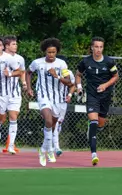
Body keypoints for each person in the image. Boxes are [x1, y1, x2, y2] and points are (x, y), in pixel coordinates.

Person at [26, 38, 72, 167]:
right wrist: (29, 88)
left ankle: (45, 149)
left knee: (52, 126)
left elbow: (68, 81)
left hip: (57, 99)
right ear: (45, 52)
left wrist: (56, 76)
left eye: (53, 52)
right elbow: (28, 73)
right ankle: (48, 150)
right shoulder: (37, 63)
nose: (51, 55)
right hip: (43, 96)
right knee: (47, 120)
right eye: (49, 52)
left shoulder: (61, 64)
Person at [76, 37, 119, 166]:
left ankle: (95, 128)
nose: (98, 49)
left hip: (105, 96)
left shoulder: (109, 62)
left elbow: (116, 76)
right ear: (92, 48)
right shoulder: (86, 62)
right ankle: (94, 154)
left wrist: (105, 85)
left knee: (100, 124)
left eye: (101, 47)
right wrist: (79, 87)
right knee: (93, 121)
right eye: (96, 47)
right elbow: (78, 74)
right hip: (92, 96)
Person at [0, 35, 26, 154]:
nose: (16, 46)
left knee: (13, 116)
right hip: (0, 92)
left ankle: (11, 145)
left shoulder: (20, 59)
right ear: (6, 46)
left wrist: (24, 83)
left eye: (16, 44)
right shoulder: (0, 57)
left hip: (14, 92)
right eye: (13, 44)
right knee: (0, 117)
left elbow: (22, 72)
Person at [53, 55, 76, 157]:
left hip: (62, 102)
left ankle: (50, 141)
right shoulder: (49, 70)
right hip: (51, 101)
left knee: (58, 124)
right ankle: (56, 147)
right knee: (54, 122)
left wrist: (70, 95)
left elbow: (72, 85)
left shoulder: (69, 73)